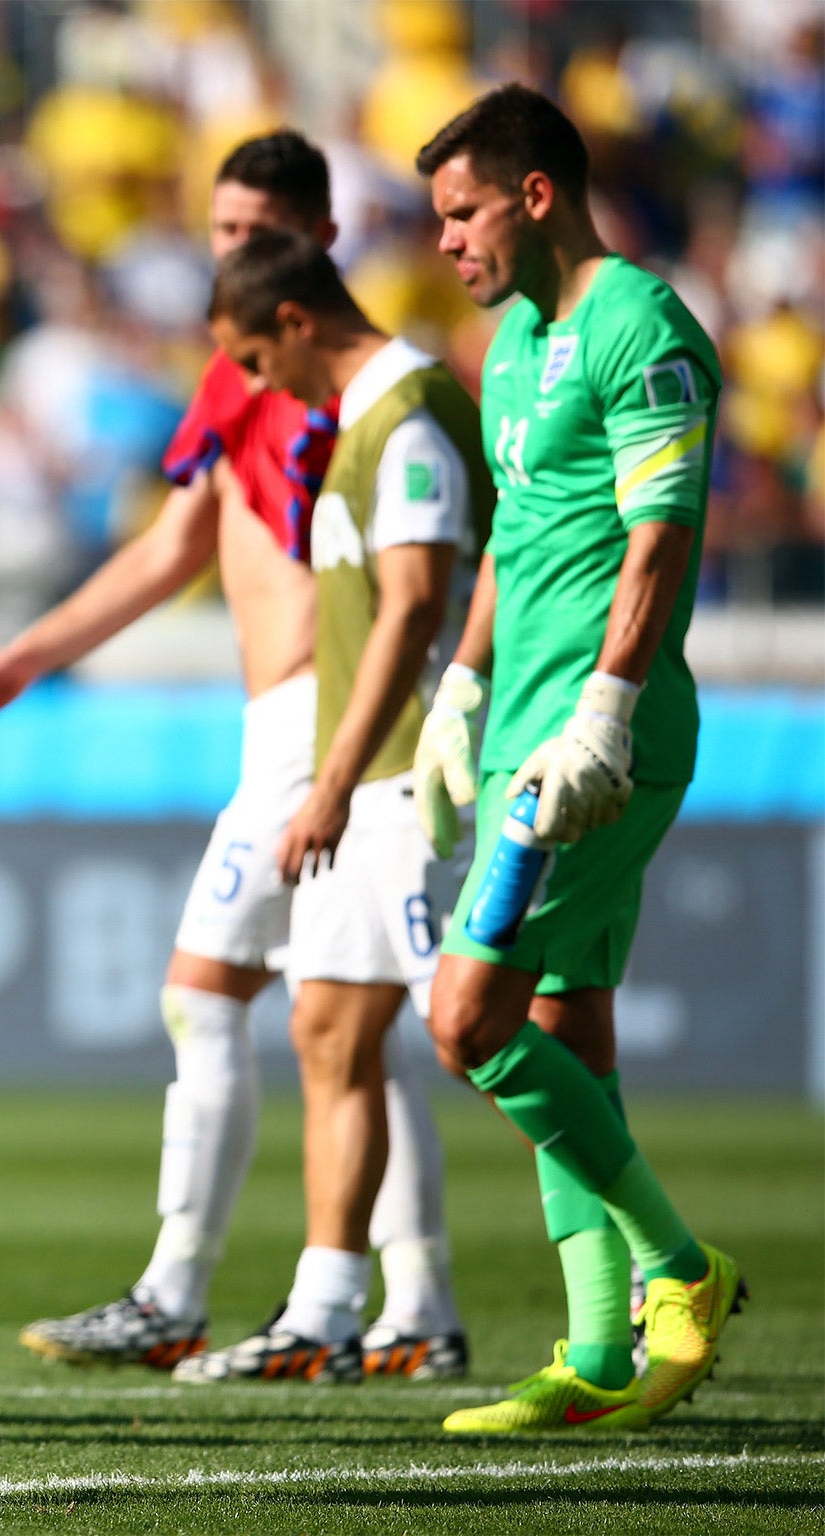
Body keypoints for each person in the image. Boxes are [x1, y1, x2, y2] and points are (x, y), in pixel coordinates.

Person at [0, 131, 466, 1378]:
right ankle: (415, 1302)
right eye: (217, 230)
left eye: (250, 233)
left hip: (336, 725)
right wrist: (24, 658)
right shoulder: (243, 376)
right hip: (280, 728)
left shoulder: (352, 385)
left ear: (315, 246)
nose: (225, 254)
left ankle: (183, 1291)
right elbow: (171, 551)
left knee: (238, 996)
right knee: (349, 1026)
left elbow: (411, 579)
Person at [414, 84, 742, 1434]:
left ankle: (680, 1267)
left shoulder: (640, 323)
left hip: (593, 751)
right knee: (562, 1022)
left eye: (461, 211)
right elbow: (514, 538)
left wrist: (603, 705)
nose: (445, 242)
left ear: (535, 195)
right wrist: (466, 681)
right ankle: (601, 1351)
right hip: (518, 736)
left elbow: (658, 533)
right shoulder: (512, 345)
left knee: (464, 1022)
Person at [173, 231, 489, 1383]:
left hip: (410, 779)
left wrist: (330, 779)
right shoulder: (361, 422)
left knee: (481, 1039)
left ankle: (643, 1261)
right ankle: (331, 1311)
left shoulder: (405, 416)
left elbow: (409, 613)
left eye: (255, 357)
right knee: (325, 1030)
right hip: (365, 779)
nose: (255, 386)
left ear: (298, 321)